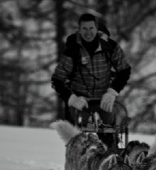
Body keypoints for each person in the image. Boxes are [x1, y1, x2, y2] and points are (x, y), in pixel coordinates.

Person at [51, 13, 131, 147]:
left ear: (96, 28)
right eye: (84, 28)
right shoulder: (73, 49)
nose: (88, 32)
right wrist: (72, 99)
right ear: (79, 29)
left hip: (104, 98)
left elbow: (124, 70)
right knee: (79, 140)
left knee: (109, 134)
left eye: (91, 28)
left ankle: (112, 159)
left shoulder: (110, 47)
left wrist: (112, 92)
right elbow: (57, 80)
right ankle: (78, 163)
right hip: (80, 101)